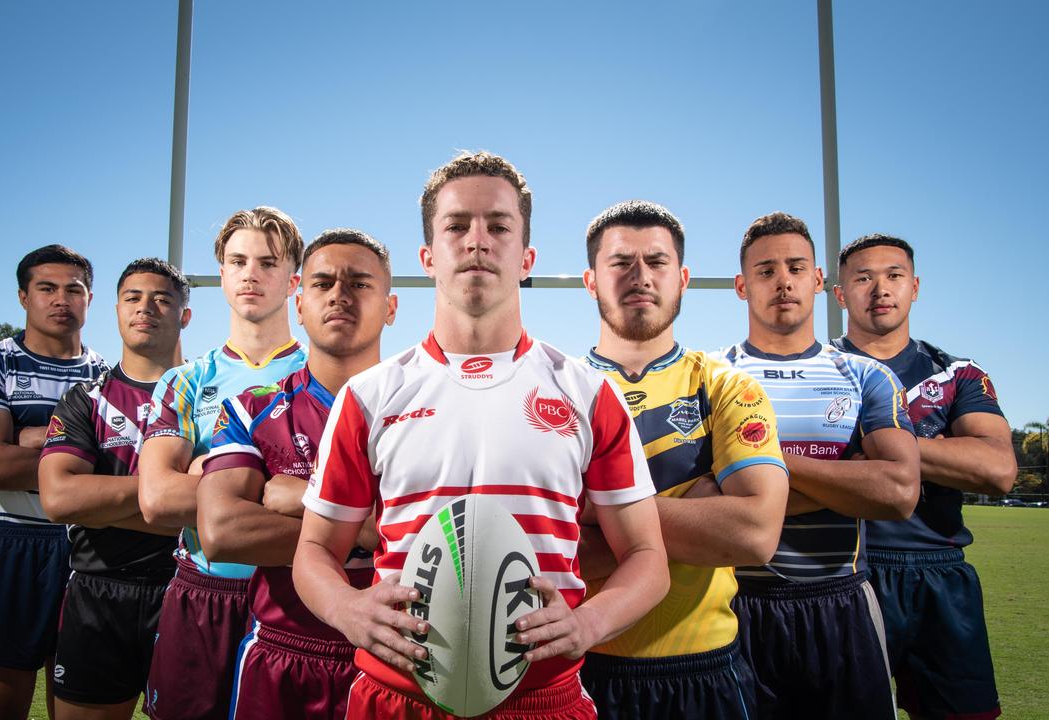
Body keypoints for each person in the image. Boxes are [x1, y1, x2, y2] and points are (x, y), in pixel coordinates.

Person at [292, 152, 670, 719]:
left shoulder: (588, 394)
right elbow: (315, 551)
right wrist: (348, 608)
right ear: (428, 256)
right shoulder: (369, 395)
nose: (476, 241)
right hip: (396, 694)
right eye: (456, 226)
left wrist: (588, 622)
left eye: (498, 226)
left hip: (544, 697)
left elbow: (648, 557)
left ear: (526, 257)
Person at [576, 200, 789, 719]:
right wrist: (699, 502)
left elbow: (754, 534)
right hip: (581, 662)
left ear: (683, 277)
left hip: (704, 669)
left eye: (657, 261)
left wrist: (601, 513)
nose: (640, 276)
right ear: (590, 280)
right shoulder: (553, 392)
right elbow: (550, 548)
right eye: (621, 262)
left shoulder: (725, 385)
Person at [719, 212, 919, 719]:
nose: (782, 281)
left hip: (841, 603)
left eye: (795, 267)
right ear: (742, 286)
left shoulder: (865, 376)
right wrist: (847, 477)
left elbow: (896, 491)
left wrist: (760, 469)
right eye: (765, 271)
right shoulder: (711, 377)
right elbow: (700, 497)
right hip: (734, 604)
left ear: (817, 281)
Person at [197, 229, 397, 720]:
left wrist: (307, 498)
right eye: (323, 282)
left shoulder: (429, 409)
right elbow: (223, 532)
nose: (339, 295)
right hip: (283, 655)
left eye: (359, 284)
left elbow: (445, 534)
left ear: (391, 308)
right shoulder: (251, 409)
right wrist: (371, 528)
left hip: (393, 658)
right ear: (300, 303)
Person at [832, 233, 1016, 720]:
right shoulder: (813, 372)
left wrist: (883, 446)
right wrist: (939, 453)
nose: (880, 289)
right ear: (839, 293)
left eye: (893, 276)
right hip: (841, 571)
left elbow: (998, 469)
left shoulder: (956, 373)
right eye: (863, 278)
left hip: (939, 569)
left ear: (914, 287)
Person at [138, 207, 307, 720]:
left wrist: (208, 473)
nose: (250, 274)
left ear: (294, 281)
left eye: (267, 262)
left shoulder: (323, 373)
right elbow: (158, 499)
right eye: (237, 261)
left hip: (296, 592)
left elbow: (352, 494)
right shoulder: (184, 381)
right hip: (203, 592)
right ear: (222, 275)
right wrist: (279, 484)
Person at [0, 244, 109, 720]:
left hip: (95, 552)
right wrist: (88, 450)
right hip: (11, 545)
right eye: (46, 288)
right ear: (24, 297)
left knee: (81, 707)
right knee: (1, 707)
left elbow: (139, 465)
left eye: (73, 289)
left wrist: (30, 437)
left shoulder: (112, 378)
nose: (61, 299)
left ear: (89, 298)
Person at [37, 258, 189, 719]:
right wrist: (166, 494)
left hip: (189, 591)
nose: (147, 308)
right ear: (117, 309)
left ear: (185, 315)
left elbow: (223, 507)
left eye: (162, 299)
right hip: (100, 591)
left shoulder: (212, 398)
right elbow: (61, 499)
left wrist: (100, 504)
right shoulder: (86, 397)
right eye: (134, 298)